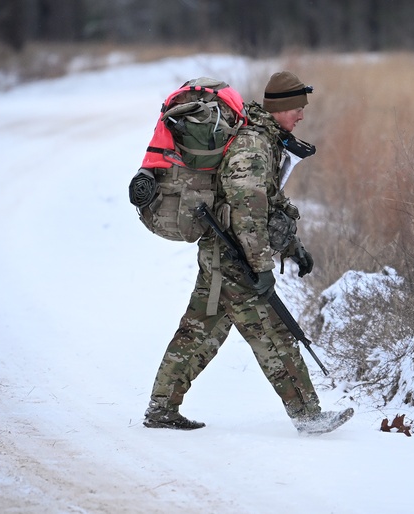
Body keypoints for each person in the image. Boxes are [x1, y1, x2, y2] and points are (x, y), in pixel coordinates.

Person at [144, 71, 353, 435]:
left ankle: (162, 409)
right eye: (297, 109)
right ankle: (308, 415)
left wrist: (293, 247)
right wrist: (261, 268)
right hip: (233, 258)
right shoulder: (253, 145)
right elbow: (247, 214)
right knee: (274, 334)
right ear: (281, 109)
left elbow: (270, 204)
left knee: (200, 332)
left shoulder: (265, 139)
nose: (301, 116)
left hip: (222, 254)